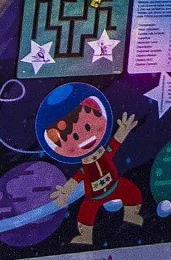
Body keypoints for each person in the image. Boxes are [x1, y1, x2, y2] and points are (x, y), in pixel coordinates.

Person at [36, 82, 142, 246]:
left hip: (115, 185)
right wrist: (65, 192)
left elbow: (114, 144)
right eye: (74, 138)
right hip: (94, 196)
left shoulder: (103, 154)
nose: (84, 138)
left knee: (132, 193)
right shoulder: (85, 165)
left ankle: (131, 214)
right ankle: (86, 236)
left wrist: (124, 130)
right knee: (86, 214)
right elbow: (78, 177)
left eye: (87, 126)